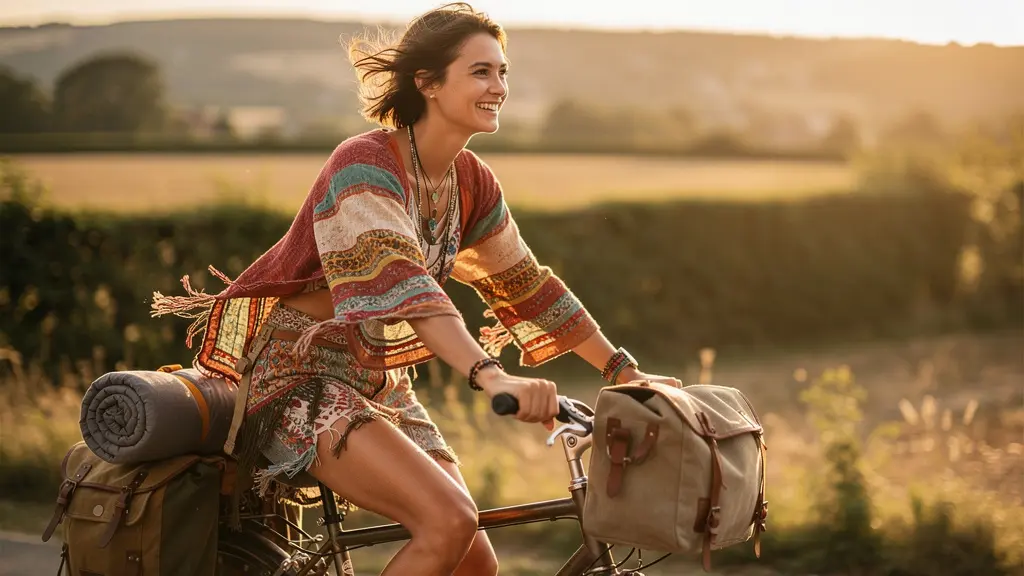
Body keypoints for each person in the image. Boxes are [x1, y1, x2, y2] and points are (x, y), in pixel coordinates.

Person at [152, 3, 681, 574]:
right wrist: (492, 376)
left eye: (502, 72)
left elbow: (528, 287)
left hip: (378, 379)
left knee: (475, 564)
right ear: (427, 83)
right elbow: (407, 286)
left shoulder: (471, 181)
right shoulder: (362, 165)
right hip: (296, 375)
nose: (499, 87)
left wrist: (623, 371)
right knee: (447, 522)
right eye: (480, 72)